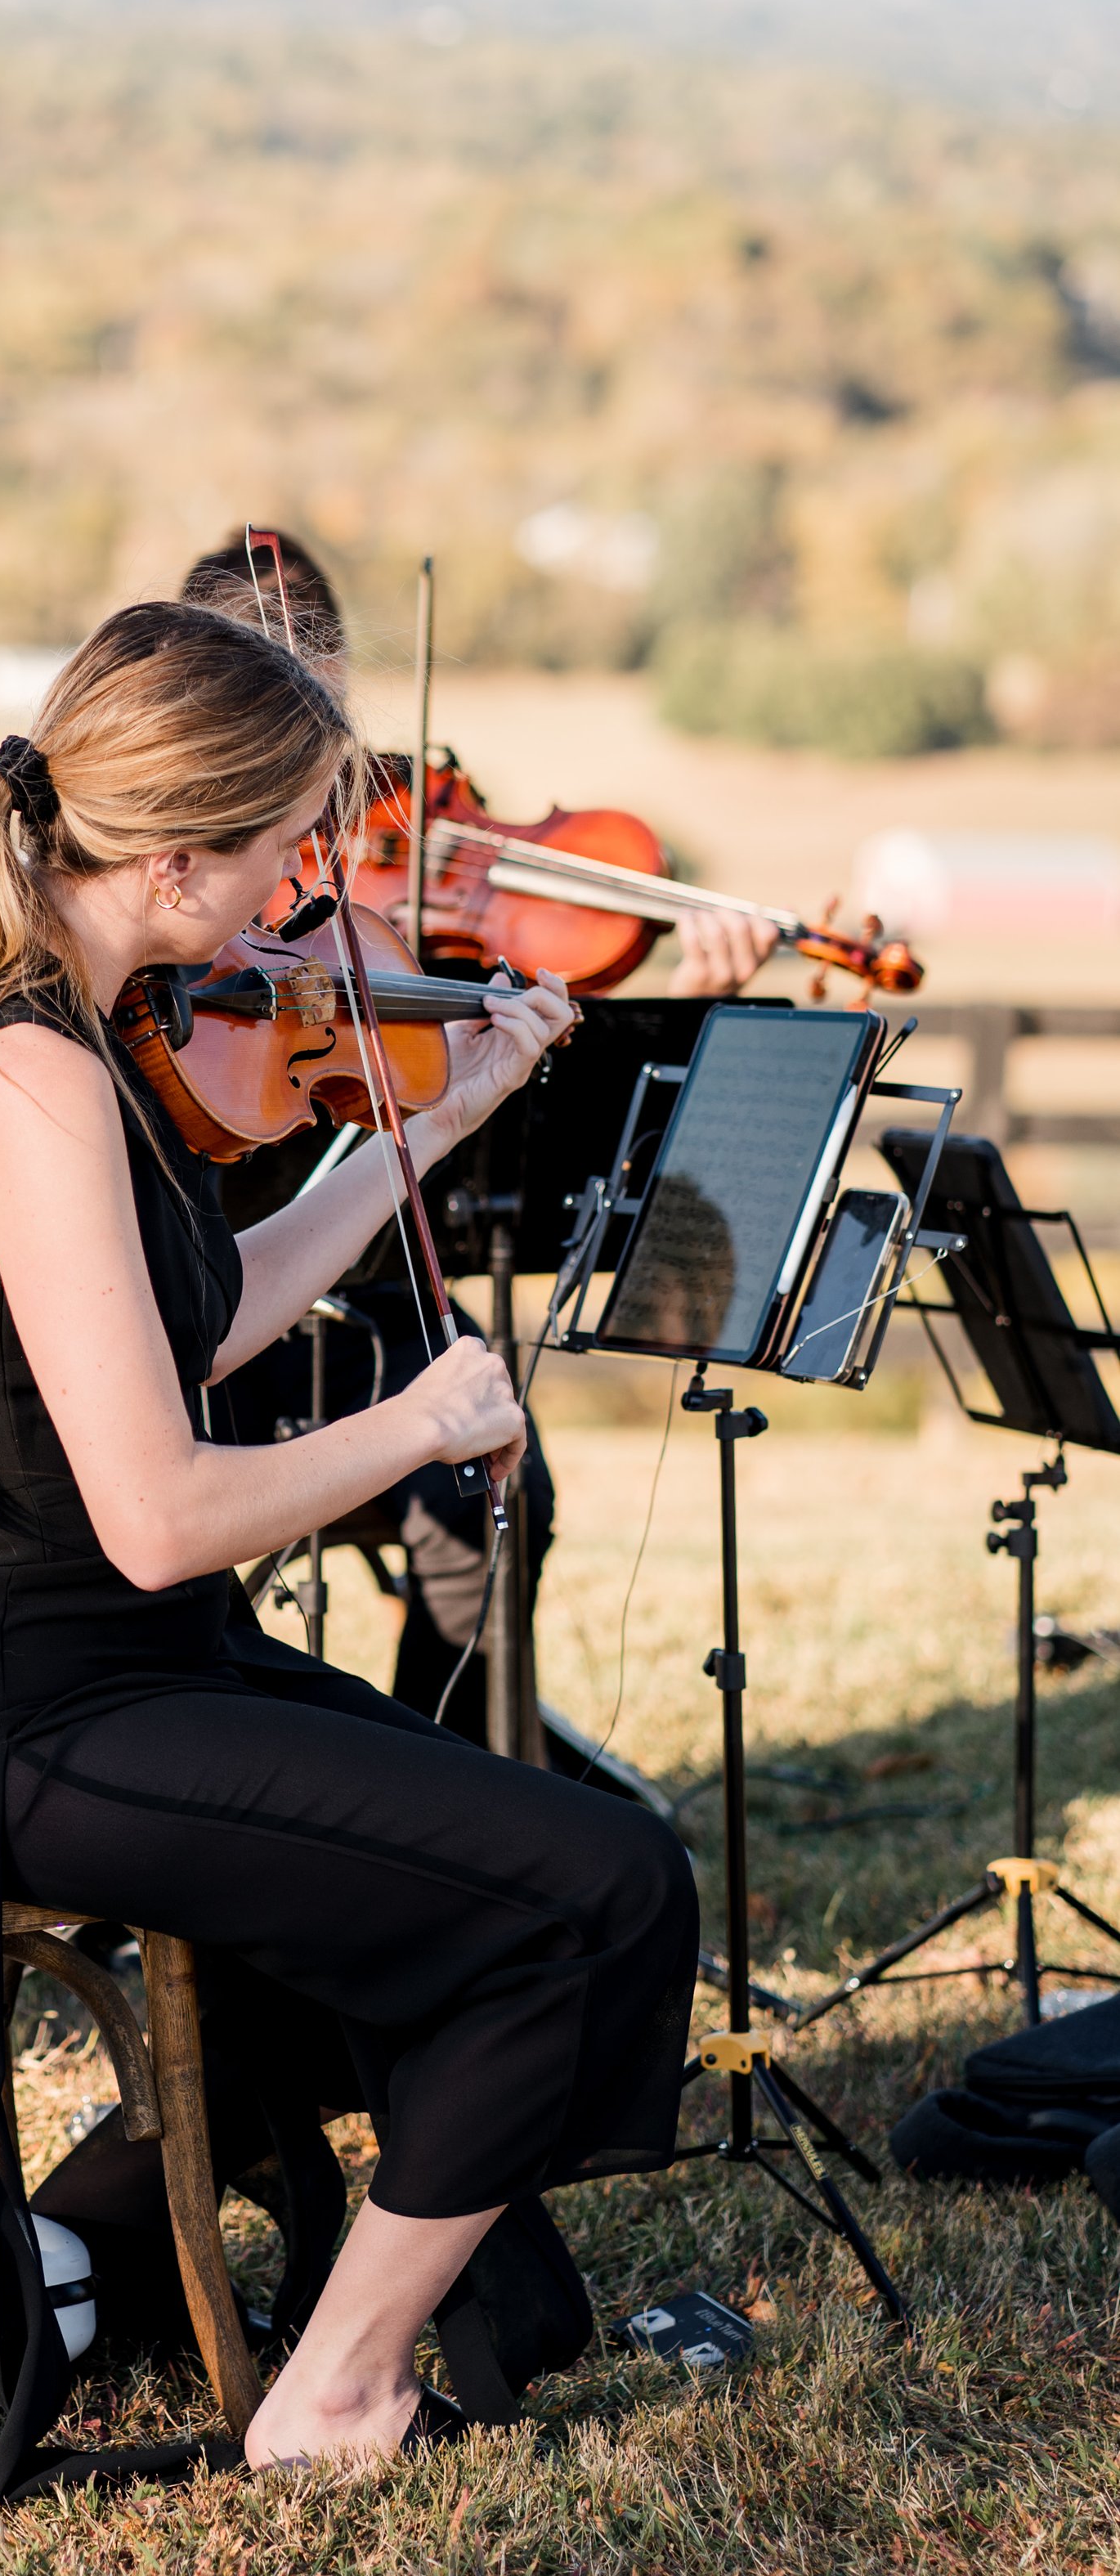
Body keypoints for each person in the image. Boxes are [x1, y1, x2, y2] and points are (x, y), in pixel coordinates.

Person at [0, 598, 697, 2485]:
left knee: (590, 1860)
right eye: (291, 839)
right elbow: (157, 1518)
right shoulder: (34, 1078)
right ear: (172, 853)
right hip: (33, 1714)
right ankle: (336, 2392)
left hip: (95, 1671)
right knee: (584, 1894)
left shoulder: (53, 1034)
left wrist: (427, 1128)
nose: (311, 884)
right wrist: (419, 1420)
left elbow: (196, 1321)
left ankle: (199, 2263)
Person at [178, 527, 775, 1730]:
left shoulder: (400, 823)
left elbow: (538, 971)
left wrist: (682, 984)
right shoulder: (163, 880)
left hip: (373, 1294)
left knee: (505, 1480)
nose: (302, 822)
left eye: (316, 741)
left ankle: (450, 1761)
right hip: (193, 1302)